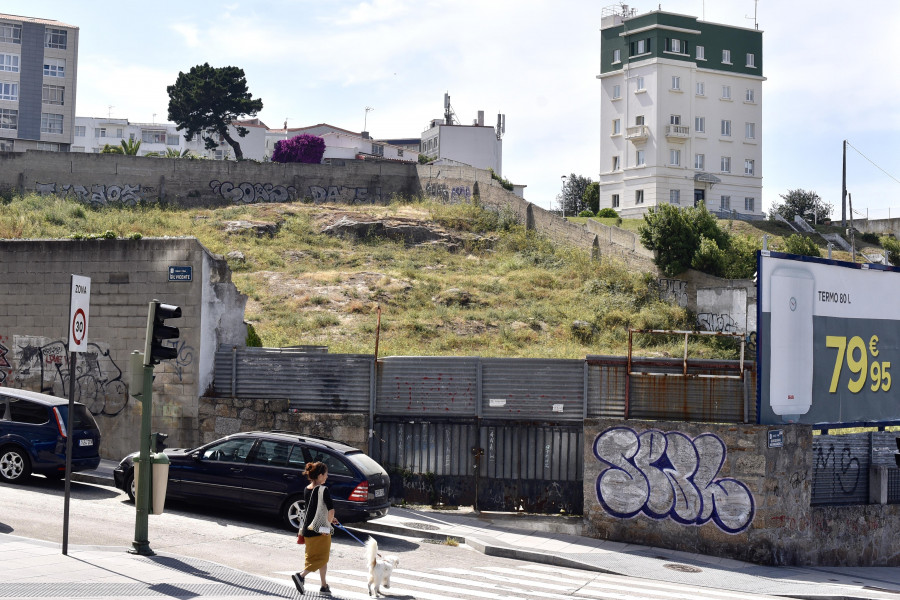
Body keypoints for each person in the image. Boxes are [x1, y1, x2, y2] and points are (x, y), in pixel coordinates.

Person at [293, 461, 339, 595]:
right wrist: (328, 524)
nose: (327, 477)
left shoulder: (307, 489)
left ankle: (324, 586)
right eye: (326, 474)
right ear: (319, 476)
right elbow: (331, 511)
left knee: (318, 557)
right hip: (320, 531)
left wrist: (329, 519)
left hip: (308, 529)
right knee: (321, 559)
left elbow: (314, 510)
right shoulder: (324, 490)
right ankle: (300, 576)